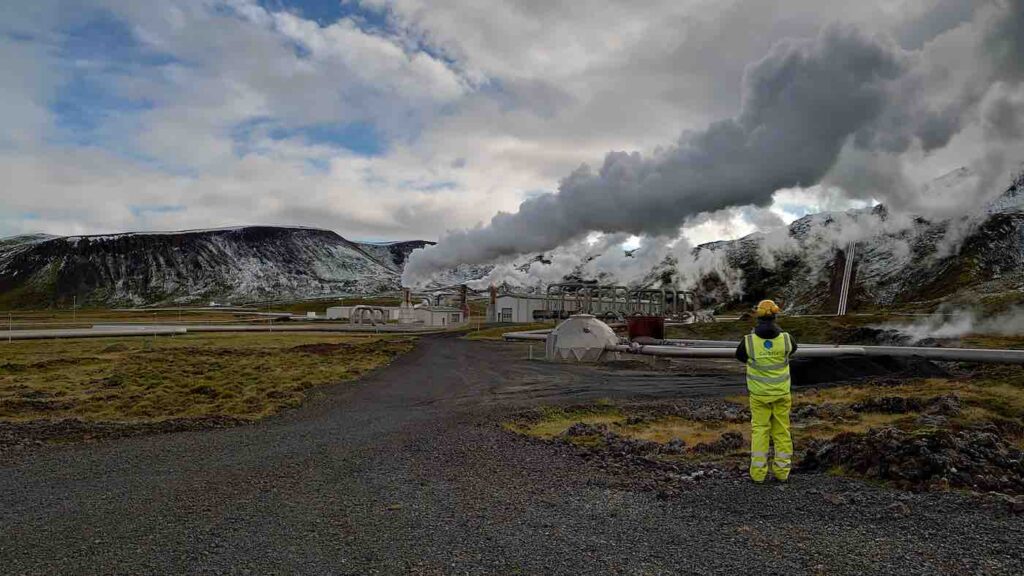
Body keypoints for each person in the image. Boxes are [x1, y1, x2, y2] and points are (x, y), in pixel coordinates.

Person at [735, 299, 797, 483]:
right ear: (775, 315)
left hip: (759, 395)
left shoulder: (749, 342)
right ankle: (782, 472)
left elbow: (740, 356)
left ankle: (758, 474)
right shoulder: (787, 339)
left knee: (760, 431)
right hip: (781, 393)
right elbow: (793, 350)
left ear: (758, 316)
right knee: (782, 432)